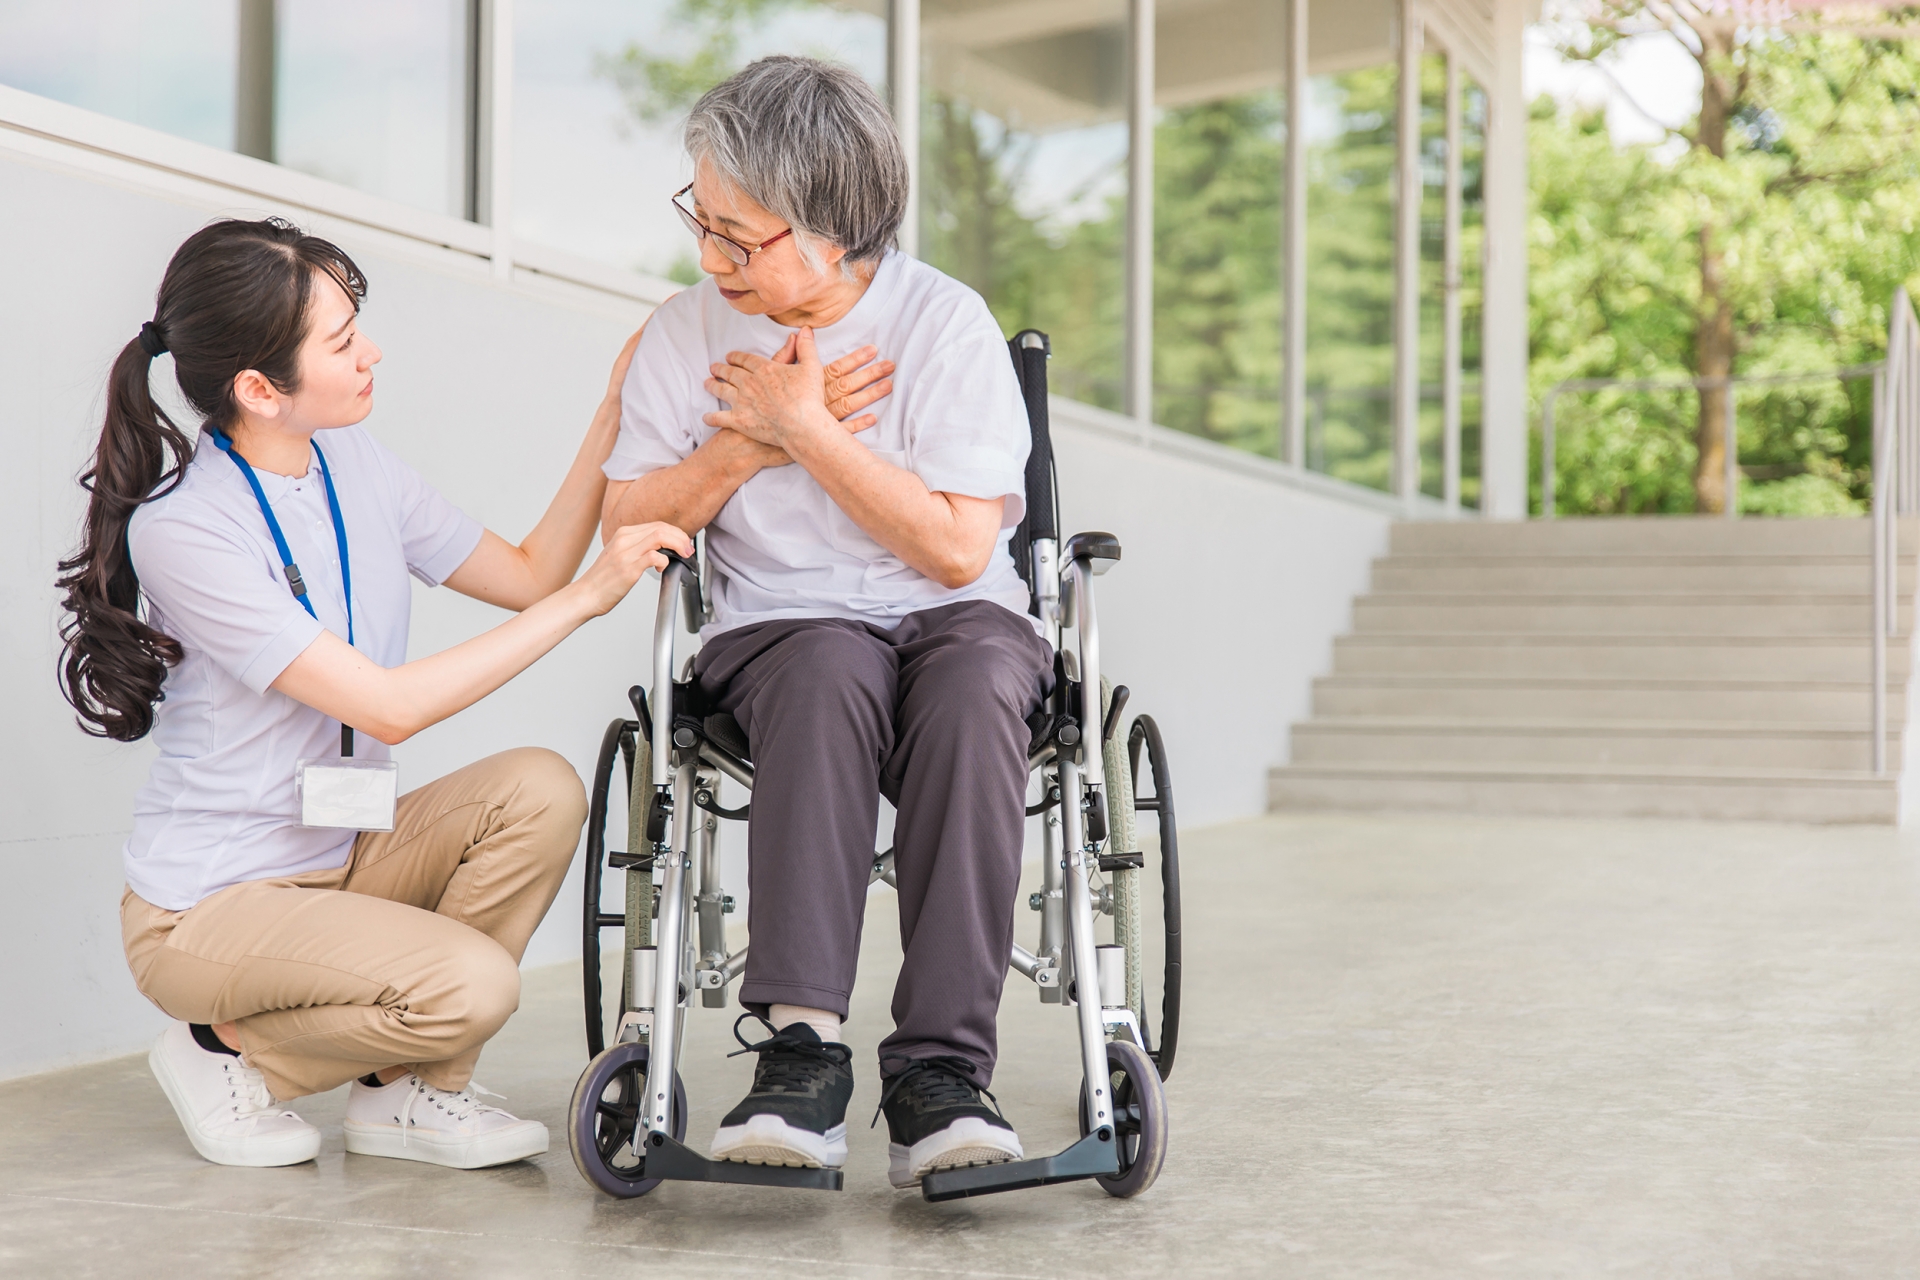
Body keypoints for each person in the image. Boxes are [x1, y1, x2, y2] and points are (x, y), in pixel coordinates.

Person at [54, 217, 709, 1171]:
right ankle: (224, 1054)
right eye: (341, 341)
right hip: (213, 906)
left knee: (540, 787)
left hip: (345, 851)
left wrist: (614, 410)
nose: (371, 353)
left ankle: (410, 1095)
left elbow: (527, 572)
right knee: (474, 987)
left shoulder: (350, 461)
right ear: (257, 389)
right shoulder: (187, 529)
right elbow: (389, 707)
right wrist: (589, 600)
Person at [602, 56, 1054, 1189]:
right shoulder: (684, 333)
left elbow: (958, 546)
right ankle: (799, 1054)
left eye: (739, 237)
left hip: (959, 615)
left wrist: (807, 432)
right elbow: (625, 515)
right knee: (823, 668)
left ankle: (944, 1076)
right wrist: (741, 444)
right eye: (702, 222)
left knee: (974, 687)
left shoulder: (946, 324)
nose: (711, 258)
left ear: (834, 232)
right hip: (780, 627)